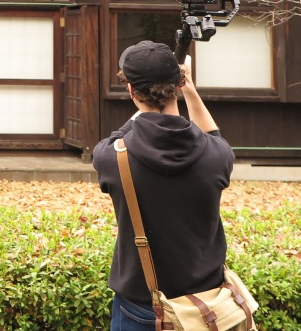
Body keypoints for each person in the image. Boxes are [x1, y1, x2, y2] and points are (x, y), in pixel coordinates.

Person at [91, 40, 234, 331]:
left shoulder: (112, 158)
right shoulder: (216, 155)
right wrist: (190, 90)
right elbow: (214, 137)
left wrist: (151, 104)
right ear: (178, 85)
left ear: (131, 91)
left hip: (141, 306)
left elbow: (117, 136)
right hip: (205, 307)